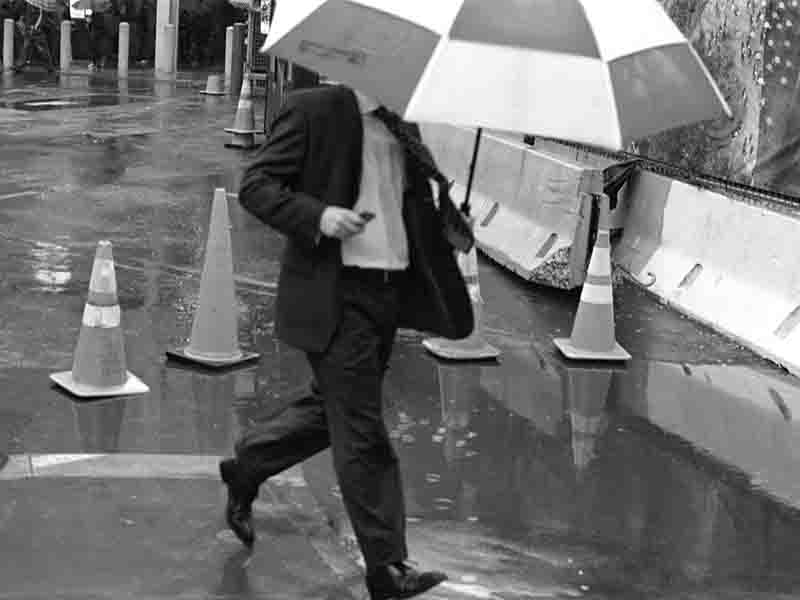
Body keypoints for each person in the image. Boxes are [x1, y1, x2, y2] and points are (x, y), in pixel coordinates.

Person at [220, 82, 474, 600]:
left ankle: (248, 462)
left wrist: (448, 220)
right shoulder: (315, 109)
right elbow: (257, 186)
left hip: (388, 294)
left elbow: (405, 207)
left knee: (333, 411)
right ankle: (387, 567)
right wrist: (319, 216)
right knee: (361, 429)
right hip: (337, 295)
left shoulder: (399, 122)